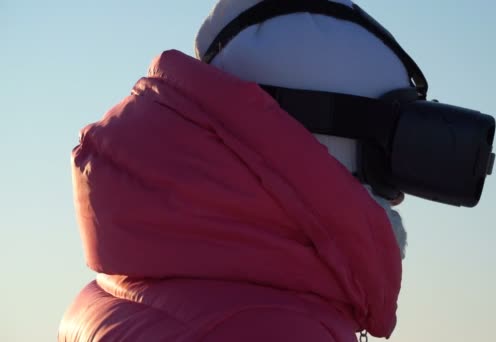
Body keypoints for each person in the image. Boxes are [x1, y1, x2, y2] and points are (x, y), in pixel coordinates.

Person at [58, 0, 409, 340]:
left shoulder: (125, 284)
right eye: (389, 161)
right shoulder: (277, 330)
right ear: (336, 154)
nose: (400, 195)